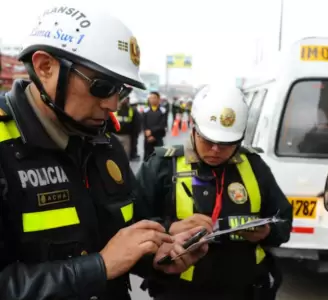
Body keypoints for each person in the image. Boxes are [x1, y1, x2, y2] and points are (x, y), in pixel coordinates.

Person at [0, 5, 207, 300]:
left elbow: (124, 233)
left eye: (120, 90)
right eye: (102, 86)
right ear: (45, 67)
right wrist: (99, 267)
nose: (113, 104)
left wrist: (160, 249)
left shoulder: (103, 143)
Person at [136, 84, 293, 300]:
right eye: (208, 141)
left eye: (226, 144)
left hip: (245, 290)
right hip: (182, 292)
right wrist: (170, 228)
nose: (216, 150)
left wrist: (267, 232)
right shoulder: (162, 166)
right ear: (194, 128)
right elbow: (132, 225)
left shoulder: (254, 166)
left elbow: (283, 220)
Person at [143, 91, 167, 159]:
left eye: (154, 98)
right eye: (150, 98)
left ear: (159, 99)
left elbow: (163, 124)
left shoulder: (163, 111)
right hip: (147, 138)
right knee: (147, 158)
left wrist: (152, 132)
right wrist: (148, 134)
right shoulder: (145, 111)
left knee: (159, 158)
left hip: (158, 137)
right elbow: (144, 124)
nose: (152, 99)